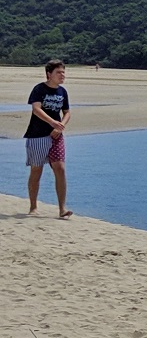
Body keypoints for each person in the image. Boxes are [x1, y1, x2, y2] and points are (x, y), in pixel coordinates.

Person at [25, 59, 73, 219]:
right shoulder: (39, 89)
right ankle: (33, 206)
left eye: (63, 72)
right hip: (38, 134)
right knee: (36, 170)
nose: (62, 75)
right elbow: (36, 109)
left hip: (57, 136)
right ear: (49, 74)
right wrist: (52, 122)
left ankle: (62, 209)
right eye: (58, 72)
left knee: (60, 168)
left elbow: (67, 112)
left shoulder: (62, 92)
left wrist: (61, 126)